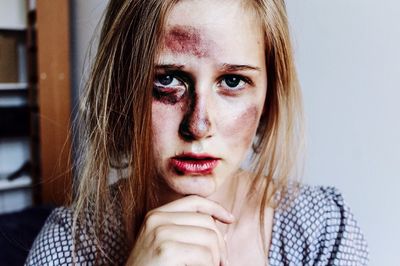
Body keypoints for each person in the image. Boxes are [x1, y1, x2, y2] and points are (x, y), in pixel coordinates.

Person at [26, 0, 369, 265]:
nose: (198, 125)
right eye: (168, 79)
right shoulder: (67, 245)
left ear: (269, 96)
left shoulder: (323, 228)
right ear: (121, 89)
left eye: (232, 81)